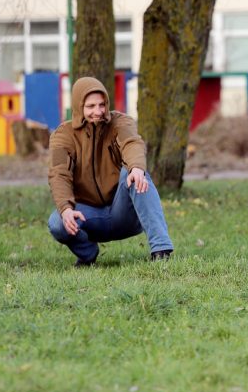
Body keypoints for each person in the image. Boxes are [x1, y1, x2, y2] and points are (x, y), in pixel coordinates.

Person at [47, 77, 174, 266]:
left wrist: (136, 168)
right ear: (78, 106)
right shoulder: (62, 135)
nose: (98, 111)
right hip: (89, 217)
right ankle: (88, 254)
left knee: (134, 174)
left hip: (123, 212)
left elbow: (132, 143)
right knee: (57, 223)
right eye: (90, 106)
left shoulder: (121, 122)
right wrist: (66, 209)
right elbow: (59, 174)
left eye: (102, 105)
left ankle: (161, 250)